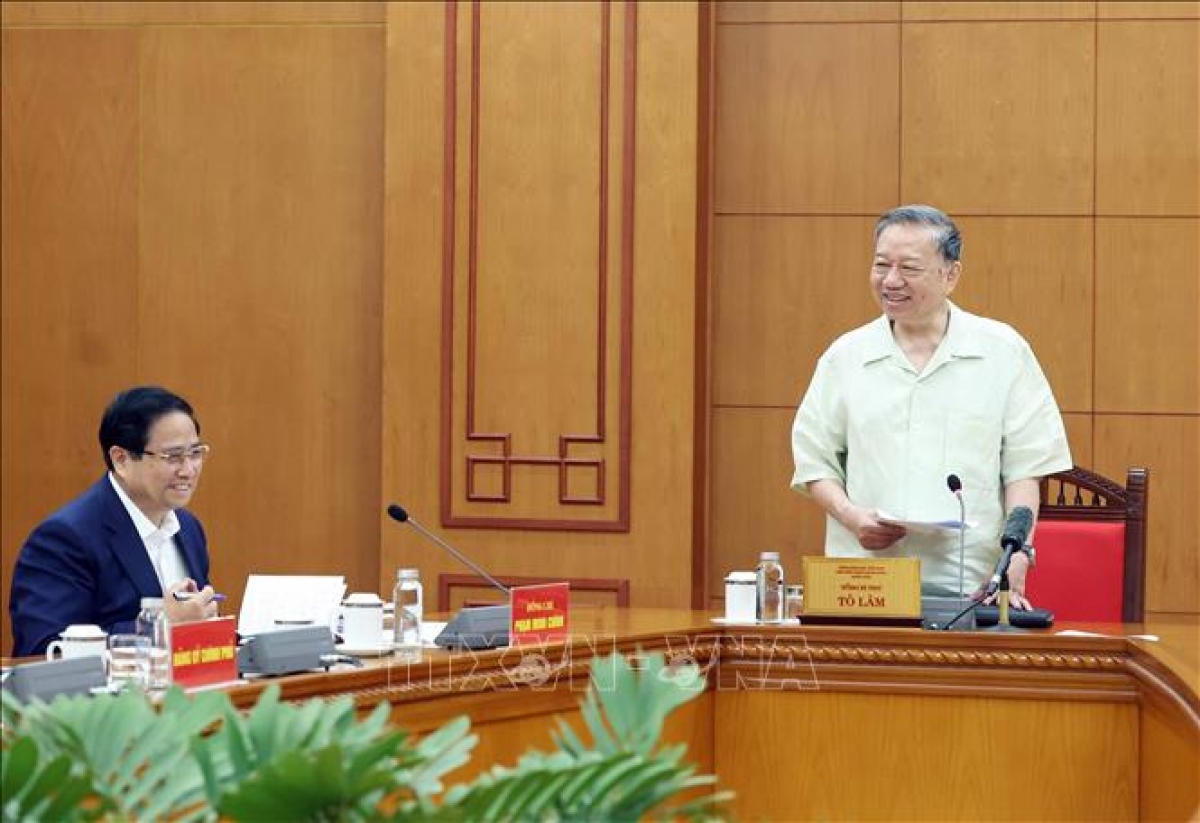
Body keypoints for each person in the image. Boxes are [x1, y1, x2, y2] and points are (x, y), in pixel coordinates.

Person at [791, 205, 1072, 607]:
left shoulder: (1002, 352)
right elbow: (814, 461)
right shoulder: (845, 356)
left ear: (950, 275)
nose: (891, 280)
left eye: (909, 268)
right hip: (864, 583)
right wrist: (851, 516)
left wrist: (1019, 553)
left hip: (969, 581)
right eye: (881, 265)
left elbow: (1026, 468)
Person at [10, 386, 219, 656]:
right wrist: (160, 626)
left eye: (195, 453)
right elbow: (42, 650)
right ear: (121, 460)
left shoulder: (188, 528)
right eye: (173, 457)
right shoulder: (64, 539)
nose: (188, 470)